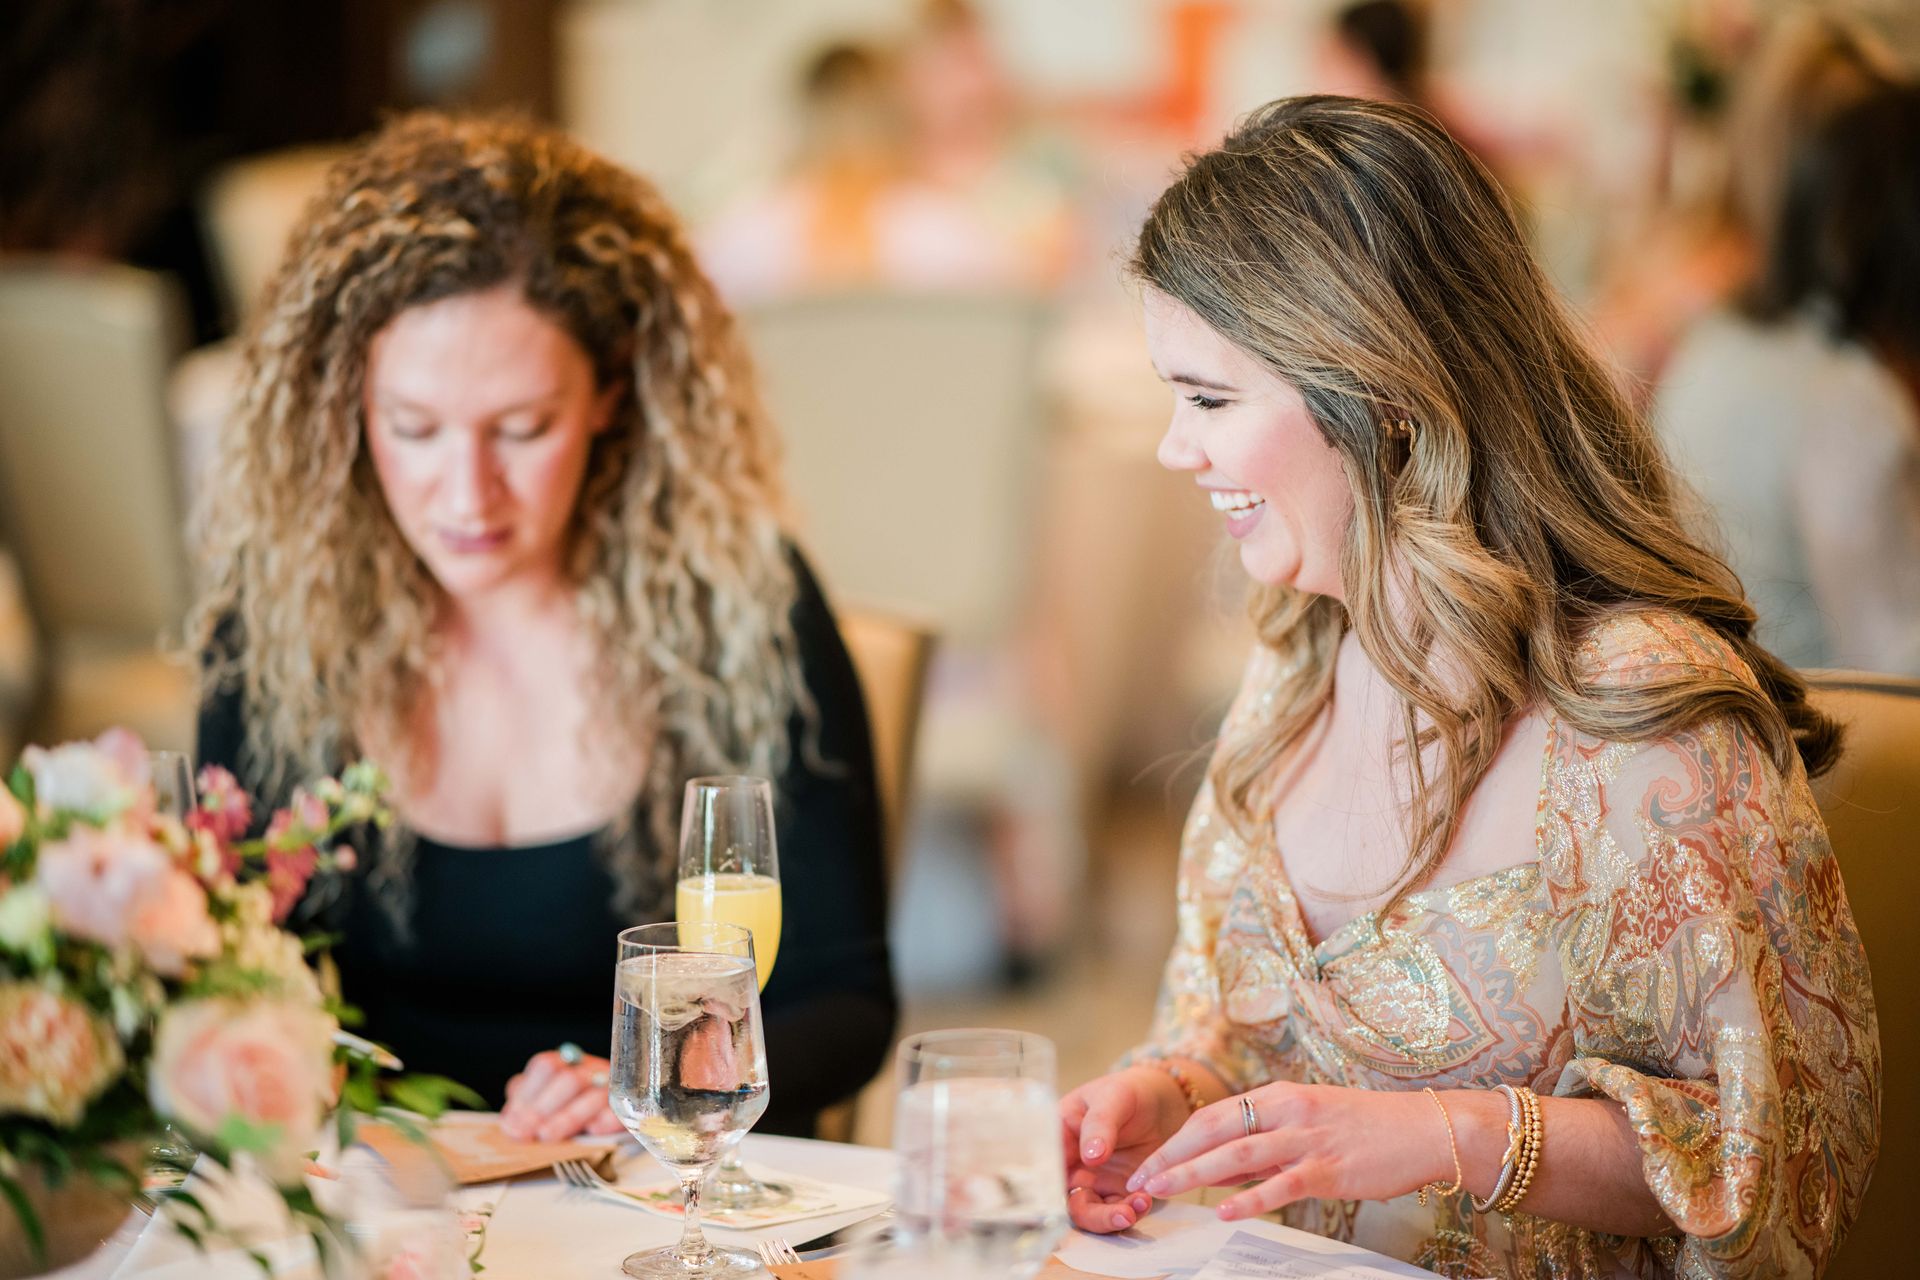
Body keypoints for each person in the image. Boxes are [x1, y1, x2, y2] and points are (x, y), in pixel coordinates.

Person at [1059, 97, 1878, 1280]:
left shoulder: (1634, 716)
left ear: (1379, 395)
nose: (1172, 448)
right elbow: (1233, 1037)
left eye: (1210, 399)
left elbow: (1778, 1167)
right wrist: (1171, 1093)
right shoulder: (1296, 658)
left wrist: (1450, 1135)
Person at [189, 112, 896, 1140]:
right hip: (386, 1197)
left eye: (522, 428)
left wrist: (661, 1080)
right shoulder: (280, 630)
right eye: (414, 427)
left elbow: (846, 998)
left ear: (611, 391)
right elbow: (230, 974)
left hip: (653, 1197)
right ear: (347, 402)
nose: (467, 493)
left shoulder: (735, 607)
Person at [1656, 82, 1920, 674]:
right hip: (1814, 733)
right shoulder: (1848, 396)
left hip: (1714, 695)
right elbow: (1900, 662)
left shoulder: (1716, 341)